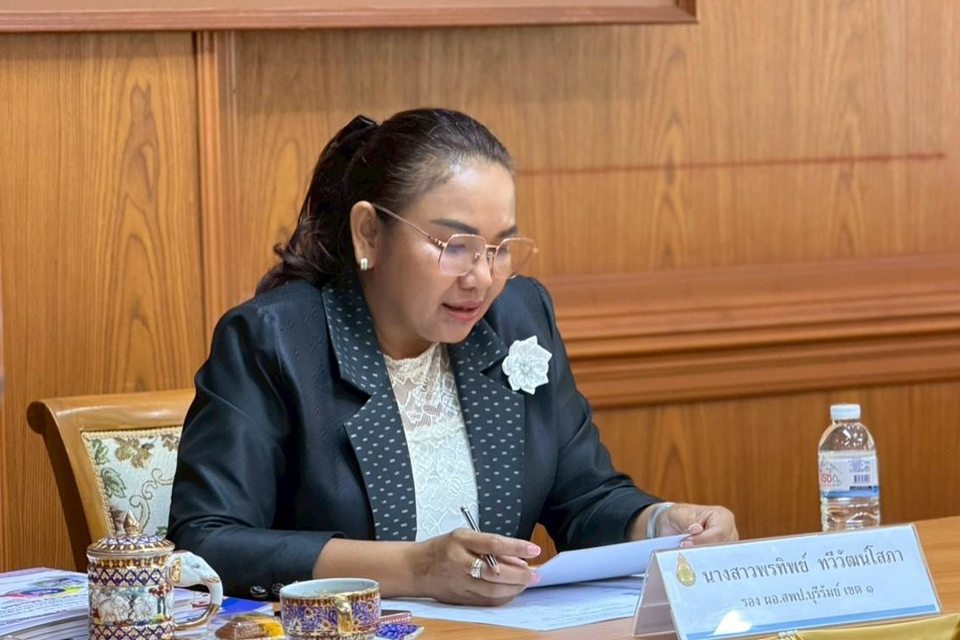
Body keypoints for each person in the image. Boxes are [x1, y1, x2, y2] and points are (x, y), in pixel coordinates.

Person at [168, 108, 737, 606]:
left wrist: (663, 524)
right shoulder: (276, 340)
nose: (481, 278)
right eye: (454, 246)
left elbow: (585, 498)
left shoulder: (517, 319)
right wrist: (415, 569)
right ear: (369, 233)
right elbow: (209, 542)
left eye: (500, 248)